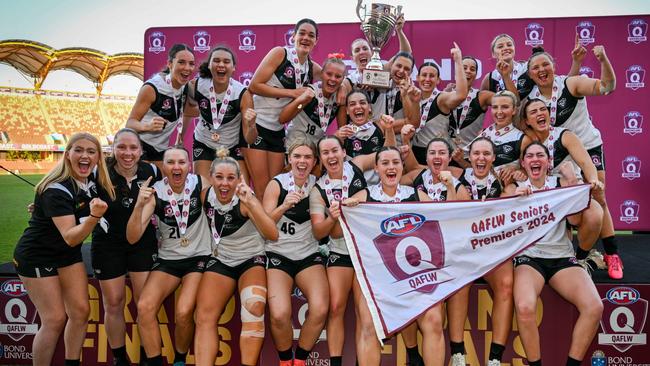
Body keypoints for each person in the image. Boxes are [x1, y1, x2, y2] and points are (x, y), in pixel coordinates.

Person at [14, 133, 115, 366]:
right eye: (78, 150)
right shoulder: (56, 189)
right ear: (67, 154)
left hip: (65, 255)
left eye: (91, 151)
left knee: (80, 312)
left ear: (98, 158)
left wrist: (43, 209)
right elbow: (71, 237)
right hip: (37, 256)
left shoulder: (91, 181)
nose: (85, 155)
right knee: (54, 318)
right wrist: (93, 217)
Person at [525, 45, 621, 279]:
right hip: (558, 151)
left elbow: (608, 86)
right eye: (535, 67)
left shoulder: (572, 83)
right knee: (564, 201)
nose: (541, 70)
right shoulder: (531, 100)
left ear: (554, 67)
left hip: (587, 145)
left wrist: (603, 59)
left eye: (545, 64)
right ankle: (571, 256)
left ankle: (612, 254)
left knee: (598, 195)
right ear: (530, 75)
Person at [505, 142, 604, 366]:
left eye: (540, 155)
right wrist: (515, 202)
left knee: (594, 307)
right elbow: (501, 225)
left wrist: (573, 183)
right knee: (525, 306)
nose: (535, 159)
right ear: (523, 163)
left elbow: (576, 221)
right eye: (529, 156)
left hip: (561, 257)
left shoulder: (559, 184)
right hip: (530, 259)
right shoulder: (515, 187)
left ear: (548, 162)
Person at [343, 146, 443, 366]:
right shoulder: (364, 196)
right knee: (369, 325)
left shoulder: (417, 195)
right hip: (376, 273)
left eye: (395, 162)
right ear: (377, 168)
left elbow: (448, 218)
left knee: (434, 321)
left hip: (415, 272)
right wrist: (344, 209)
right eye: (385, 163)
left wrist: (452, 187)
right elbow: (340, 222)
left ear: (401, 166)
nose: (391, 167)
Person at [126, 147, 212, 366]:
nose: (176, 167)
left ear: (189, 166)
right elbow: (132, 237)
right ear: (163, 167)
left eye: (182, 162)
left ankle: (180, 360)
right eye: (171, 162)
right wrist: (138, 205)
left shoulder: (200, 183)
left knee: (184, 312)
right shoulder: (156, 191)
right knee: (144, 308)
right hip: (168, 260)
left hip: (198, 258)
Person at [193, 150, 278, 366]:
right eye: (219, 177)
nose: (224, 183)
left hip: (250, 258)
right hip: (221, 259)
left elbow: (272, 234)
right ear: (210, 177)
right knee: (203, 316)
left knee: (255, 306)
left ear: (239, 180)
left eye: (231, 178)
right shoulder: (204, 196)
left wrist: (251, 203)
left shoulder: (246, 199)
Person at [91, 128, 160, 366]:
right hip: (107, 245)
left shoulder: (151, 171)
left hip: (142, 242)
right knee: (114, 303)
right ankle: (119, 358)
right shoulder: (99, 173)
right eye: (122, 147)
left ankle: (145, 354)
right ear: (113, 149)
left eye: (133, 148)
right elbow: (75, 196)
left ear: (141, 151)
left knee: (144, 305)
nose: (127, 153)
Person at [309, 135, 378, 366]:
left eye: (334, 150)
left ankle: (363, 359)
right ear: (320, 159)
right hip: (339, 251)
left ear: (343, 153)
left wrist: (390, 132)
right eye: (325, 153)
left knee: (364, 312)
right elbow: (320, 232)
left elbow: (386, 158)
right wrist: (333, 216)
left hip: (365, 252)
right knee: (336, 307)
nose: (331, 156)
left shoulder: (356, 166)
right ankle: (336, 362)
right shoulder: (318, 190)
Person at [519, 98, 606, 275]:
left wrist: (593, 180)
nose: (540, 113)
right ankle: (531, 259)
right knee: (559, 244)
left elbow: (585, 162)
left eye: (543, 109)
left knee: (595, 214)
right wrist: (516, 172)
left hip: (568, 190)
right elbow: (516, 164)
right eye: (533, 112)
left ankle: (581, 258)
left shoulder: (564, 135)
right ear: (527, 121)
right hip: (541, 195)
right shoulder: (525, 140)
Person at [262, 139, 329, 366]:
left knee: (320, 309)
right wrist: (283, 206)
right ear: (289, 160)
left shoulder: (319, 184)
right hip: (278, 254)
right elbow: (263, 225)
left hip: (308, 254)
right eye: (297, 157)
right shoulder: (277, 184)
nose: (302, 161)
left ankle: (300, 360)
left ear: (314, 162)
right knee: (279, 314)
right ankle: (284, 360)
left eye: (307, 157)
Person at [247, 18, 321, 198]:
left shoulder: (310, 67)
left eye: (311, 35)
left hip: (278, 130)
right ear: (293, 36)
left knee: (277, 185)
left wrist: (342, 86)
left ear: (316, 41)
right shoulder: (280, 53)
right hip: (258, 125)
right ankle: (263, 226)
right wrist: (293, 93)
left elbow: (333, 75)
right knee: (261, 187)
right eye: (301, 33)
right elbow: (254, 86)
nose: (305, 38)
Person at [456, 137, 512, 366]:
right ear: (469, 157)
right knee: (458, 283)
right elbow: (418, 170)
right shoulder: (457, 176)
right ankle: (457, 353)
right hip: (464, 249)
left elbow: (514, 203)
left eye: (486, 154)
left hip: (493, 249)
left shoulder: (503, 179)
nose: (481, 158)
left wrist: (514, 183)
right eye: (476, 153)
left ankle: (495, 358)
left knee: (506, 285)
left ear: (493, 158)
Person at [188, 45, 257, 182]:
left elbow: (250, 139)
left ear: (233, 67)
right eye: (216, 60)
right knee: (203, 191)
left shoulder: (242, 93)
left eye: (226, 62)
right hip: (204, 143)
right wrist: (180, 137)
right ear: (209, 66)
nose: (221, 64)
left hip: (231, 146)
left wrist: (252, 125)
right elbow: (187, 112)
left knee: (240, 192)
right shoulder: (196, 85)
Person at [126, 44, 196, 168]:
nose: (187, 68)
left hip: (160, 149)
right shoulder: (152, 88)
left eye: (191, 64)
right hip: (140, 145)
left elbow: (188, 113)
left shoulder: (186, 87)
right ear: (169, 64)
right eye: (181, 62)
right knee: (145, 181)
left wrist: (180, 138)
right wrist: (147, 126)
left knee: (163, 184)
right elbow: (130, 123)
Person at [410, 43, 468, 164]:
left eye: (432, 76)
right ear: (417, 77)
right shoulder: (412, 97)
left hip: (438, 155)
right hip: (416, 153)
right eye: (424, 75)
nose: (427, 79)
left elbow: (461, 94)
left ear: (438, 80)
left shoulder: (441, 98)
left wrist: (458, 60)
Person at [480, 33, 584, 99]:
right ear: (493, 54)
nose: (506, 48)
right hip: (506, 129)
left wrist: (576, 62)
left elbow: (564, 84)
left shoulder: (528, 68)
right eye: (500, 46)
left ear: (514, 49)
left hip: (530, 126)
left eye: (509, 45)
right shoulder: (489, 78)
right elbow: (481, 105)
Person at [281, 57, 348, 149]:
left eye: (338, 76)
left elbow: (343, 130)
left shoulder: (339, 99)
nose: (333, 79)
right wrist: (300, 102)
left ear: (343, 79)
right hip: (294, 147)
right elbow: (283, 119)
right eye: (329, 74)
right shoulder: (310, 92)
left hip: (316, 151)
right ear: (321, 74)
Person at [448, 57, 495, 167]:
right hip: (448, 157)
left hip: (471, 158)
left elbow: (510, 101)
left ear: (476, 74)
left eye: (472, 69)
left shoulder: (482, 96)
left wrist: (490, 131)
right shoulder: (446, 96)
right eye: (464, 68)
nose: (468, 71)